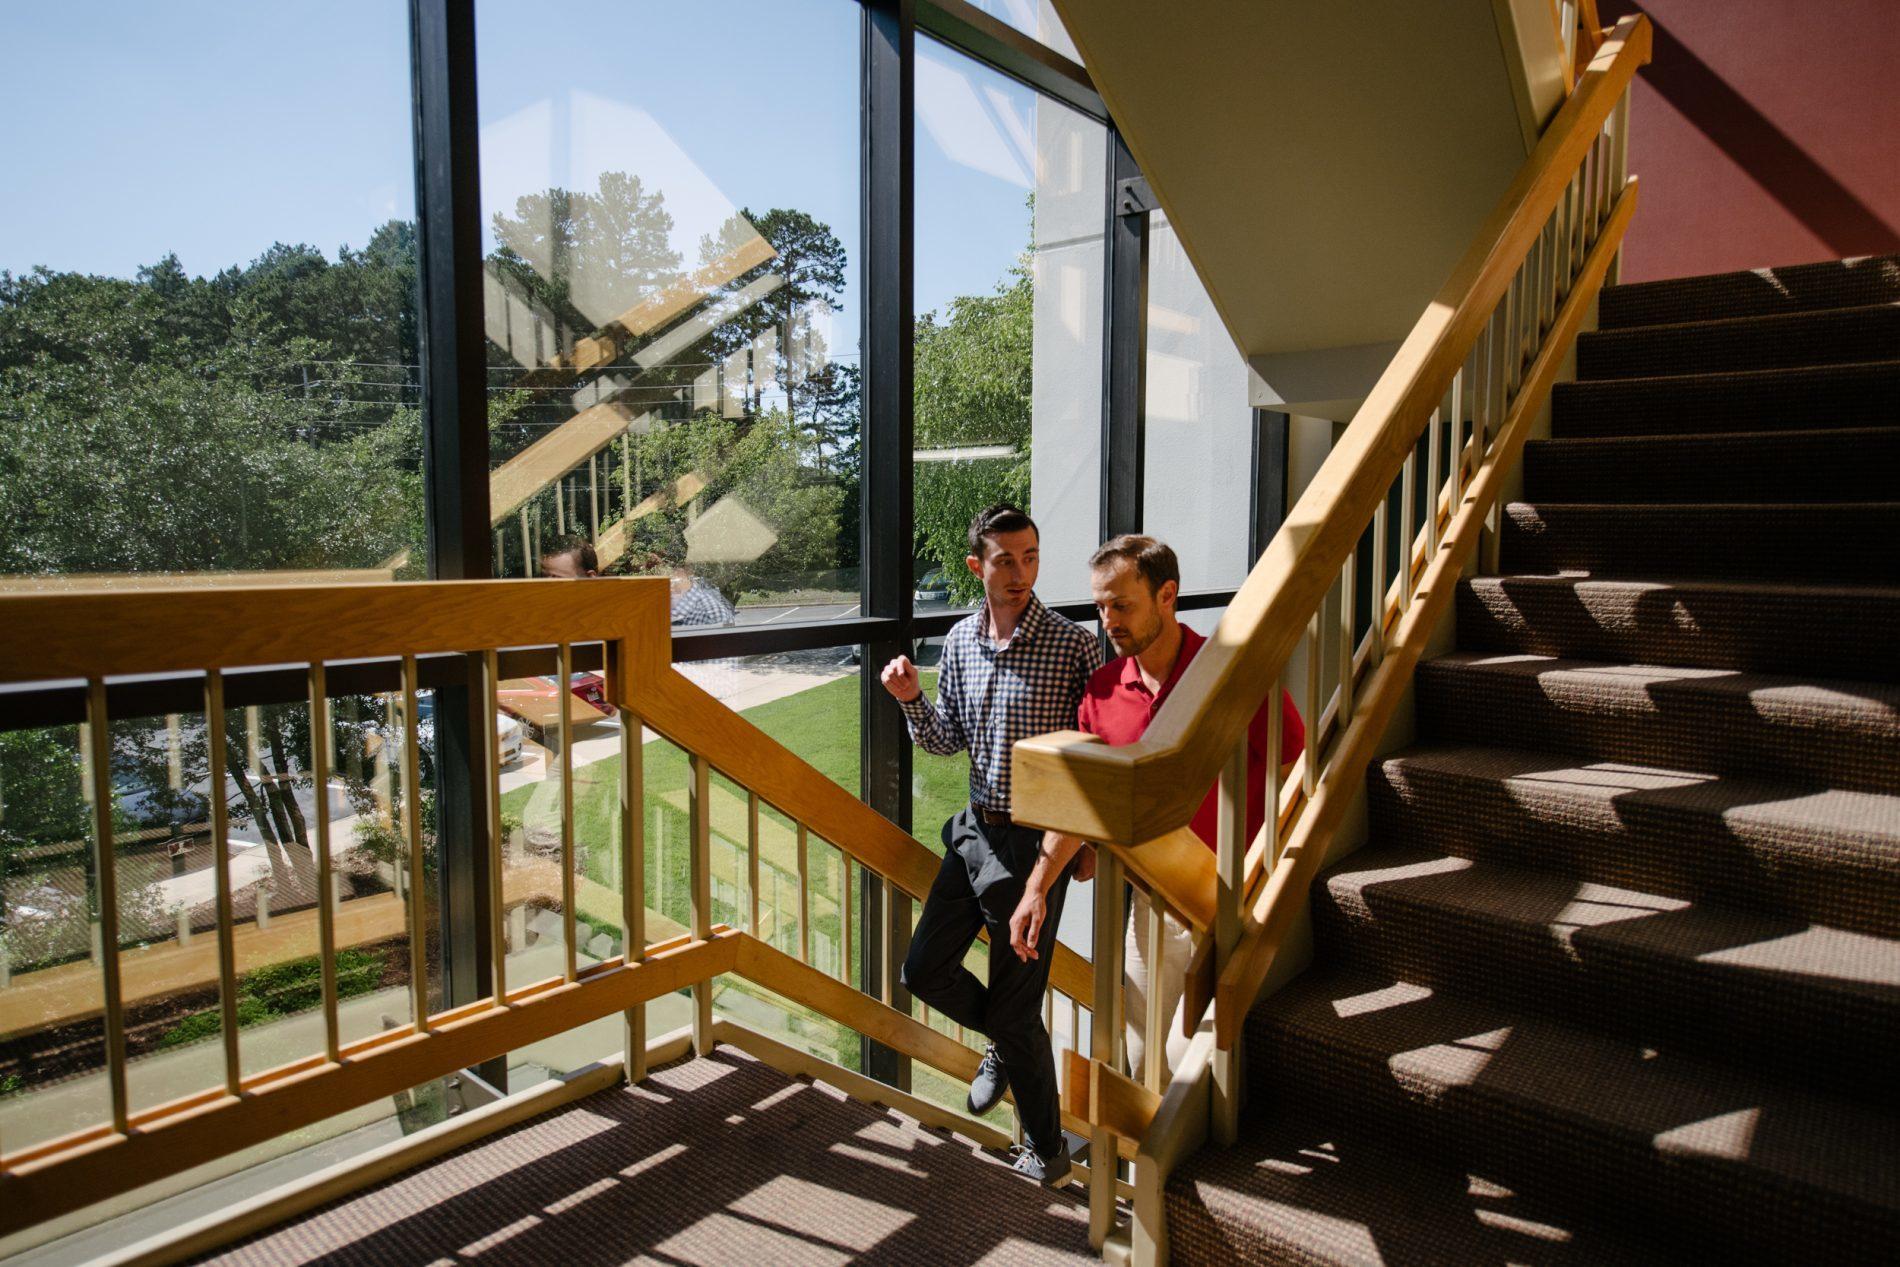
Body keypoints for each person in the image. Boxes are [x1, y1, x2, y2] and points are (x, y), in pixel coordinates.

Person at [1007, 534, 1303, 1085]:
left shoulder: (1230, 676)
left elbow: (1297, 773)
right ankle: (1149, 1172)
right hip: (1151, 905)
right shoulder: (1100, 690)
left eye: (1122, 604)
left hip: (1235, 897)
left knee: (1191, 1060)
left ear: (1167, 595)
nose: (1108, 620)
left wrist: (1281, 874)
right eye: (1100, 606)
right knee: (1144, 1060)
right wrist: (1036, 889)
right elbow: (1081, 805)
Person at [880, 504, 1102, 1187]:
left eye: (1030, 556)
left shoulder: (1073, 645)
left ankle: (1047, 1148)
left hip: (1038, 847)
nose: (1021, 573)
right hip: (974, 829)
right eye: (1005, 559)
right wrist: (912, 698)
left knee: (1013, 1005)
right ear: (977, 565)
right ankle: (1006, 1043)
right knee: (922, 970)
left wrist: (1083, 842)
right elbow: (947, 738)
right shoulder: (960, 640)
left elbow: (1095, 754)